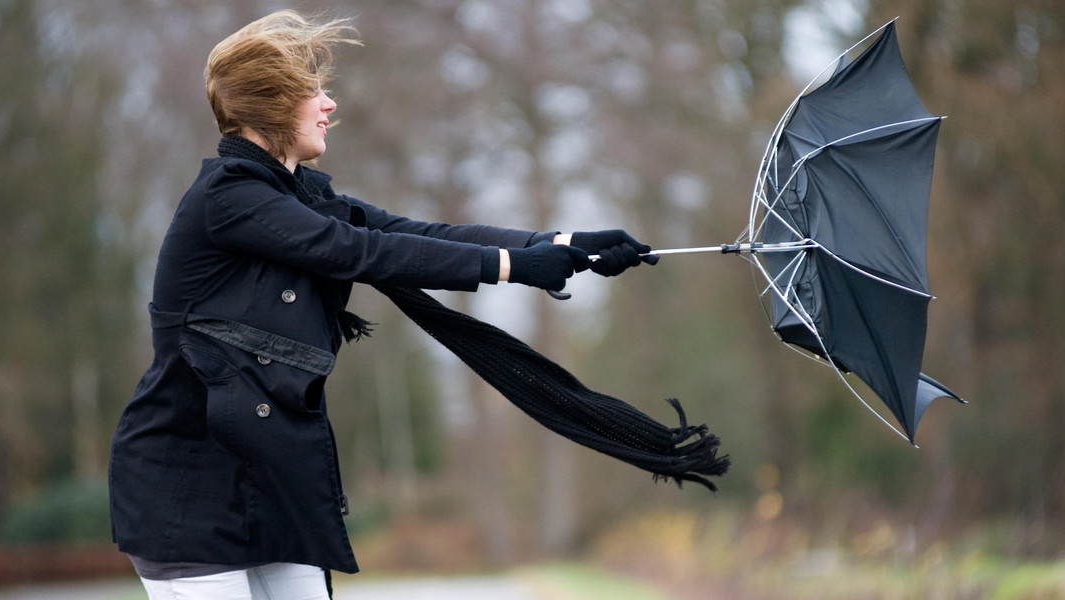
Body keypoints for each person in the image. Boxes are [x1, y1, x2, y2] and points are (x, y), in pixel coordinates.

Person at [108, 9, 657, 600]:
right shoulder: (229, 199)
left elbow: (415, 233)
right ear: (271, 103)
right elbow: (357, 251)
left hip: (270, 484)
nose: (328, 105)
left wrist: (557, 244)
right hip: (186, 492)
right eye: (312, 91)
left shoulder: (299, 195)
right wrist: (511, 268)